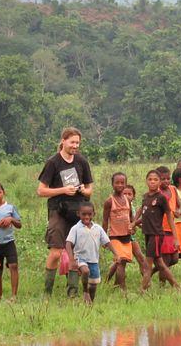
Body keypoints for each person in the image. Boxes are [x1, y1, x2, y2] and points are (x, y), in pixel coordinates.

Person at [37, 127, 94, 296]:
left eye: (77, 142)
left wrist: (84, 190)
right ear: (63, 141)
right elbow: (41, 191)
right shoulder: (53, 162)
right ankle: (47, 293)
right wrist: (63, 190)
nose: (75, 146)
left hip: (78, 211)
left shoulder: (82, 161)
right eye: (72, 142)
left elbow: (90, 189)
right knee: (55, 252)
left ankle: (73, 293)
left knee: (76, 252)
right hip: (58, 211)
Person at [132, 170, 181, 291]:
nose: (152, 182)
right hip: (147, 234)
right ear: (146, 181)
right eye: (150, 179)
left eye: (155, 180)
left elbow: (169, 216)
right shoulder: (146, 196)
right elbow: (141, 210)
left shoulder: (161, 198)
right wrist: (133, 222)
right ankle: (177, 286)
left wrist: (175, 238)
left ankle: (142, 290)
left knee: (147, 264)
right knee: (160, 264)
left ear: (159, 182)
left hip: (156, 235)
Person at [65, 202, 117, 304]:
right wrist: (71, 260)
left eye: (89, 214)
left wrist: (116, 253)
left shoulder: (98, 228)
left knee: (93, 285)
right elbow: (68, 244)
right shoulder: (75, 228)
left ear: (94, 214)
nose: (86, 217)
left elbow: (107, 242)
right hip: (80, 258)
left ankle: (90, 304)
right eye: (83, 214)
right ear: (78, 214)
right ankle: (85, 291)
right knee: (85, 271)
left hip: (94, 260)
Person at [102, 172, 134, 290]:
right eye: (117, 183)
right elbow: (105, 220)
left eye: (122, 183)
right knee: (120, 261)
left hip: (126, 236)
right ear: (112, 184)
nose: (120, 185)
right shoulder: (109, 201)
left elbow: (131, 217)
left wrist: (133, 226)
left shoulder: (127, 200)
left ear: (125, 184)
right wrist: (104, 238)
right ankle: (123, 288)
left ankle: (113, 283)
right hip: (114, 236)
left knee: (121, 262)